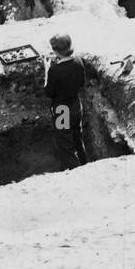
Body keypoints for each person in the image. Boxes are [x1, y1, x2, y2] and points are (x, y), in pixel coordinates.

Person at [44, 33, 90, 169]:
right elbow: (81, 83)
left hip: (62, 110)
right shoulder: (79, 61)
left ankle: (75, 173)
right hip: (76, 105)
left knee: (65, 145)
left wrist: (47, 69)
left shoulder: (54, 71)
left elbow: (49, 92)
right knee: (78, 140)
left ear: (56, 51)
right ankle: (85, 167)